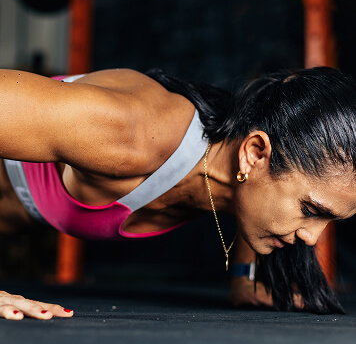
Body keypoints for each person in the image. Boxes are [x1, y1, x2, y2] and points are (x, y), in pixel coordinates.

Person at [0, 66, 355, 321]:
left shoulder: (238, 176)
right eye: (311, 210)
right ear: (255, 153)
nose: (312, 238)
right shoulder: (130, 131)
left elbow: (259, 194)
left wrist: (245, 279)